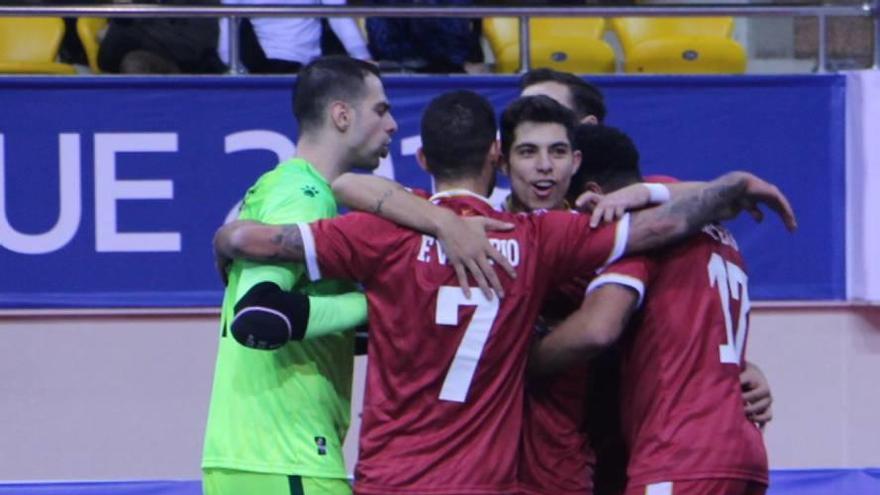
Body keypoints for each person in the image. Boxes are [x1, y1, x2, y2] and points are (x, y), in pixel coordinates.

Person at [214, 92, 795, 494]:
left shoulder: (399, 229)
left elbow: (332, 191)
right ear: (499, 156)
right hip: (497, 475)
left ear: (578, 162)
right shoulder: (540, 237)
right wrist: (731, 186)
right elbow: (666, 227)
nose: (543, 167)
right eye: (527, 152)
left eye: (557, 152)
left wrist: (743, 371)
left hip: (556, 466)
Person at [530, 125, 771, 495]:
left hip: (678, 454)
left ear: (594, 194)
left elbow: (598, 328)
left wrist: (516, 359)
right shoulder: (711, 227)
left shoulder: (642, 232)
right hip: (744, 451)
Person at [201, 55, 396, 495]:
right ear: (342, 115)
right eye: (381, 110)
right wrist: (378, 301)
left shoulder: (283, 187)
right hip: (287, 457)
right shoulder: (305, 194)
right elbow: (259, 315)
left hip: (253, 459)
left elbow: (307, 322)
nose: (393, 125)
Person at [218, 0, 371, 74]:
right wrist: (236, 69)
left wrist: (362, 57)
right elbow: (228, 25)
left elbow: (338, 16)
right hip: (265, 70)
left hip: (311, 70)